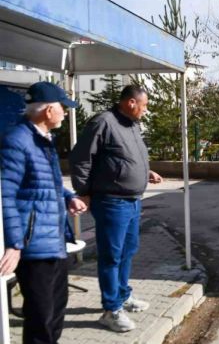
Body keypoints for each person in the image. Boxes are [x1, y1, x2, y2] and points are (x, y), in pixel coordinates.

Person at [69, 85, 163, 333]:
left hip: (132, 201)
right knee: (111, 256)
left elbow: (126, 158)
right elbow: (81, 159)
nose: (146, 110)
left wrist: (146, 172)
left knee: (128, 250)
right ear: (131, 103)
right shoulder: (103, 122)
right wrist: (84, 192)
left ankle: (123, 296)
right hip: (111, 202)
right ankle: (111, 310)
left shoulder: (132, 125)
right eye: (144, 105)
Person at [0, 82, 88, 344]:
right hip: (34, 245)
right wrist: (14, 244)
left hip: (55, 242)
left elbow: (47, 182)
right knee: (41, 319)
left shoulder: (42, 140)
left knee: (55, 313)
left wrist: (69, 197)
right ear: (49, 110)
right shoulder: (18, 141)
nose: (66, 113)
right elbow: (5, 194)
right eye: (63, 108)